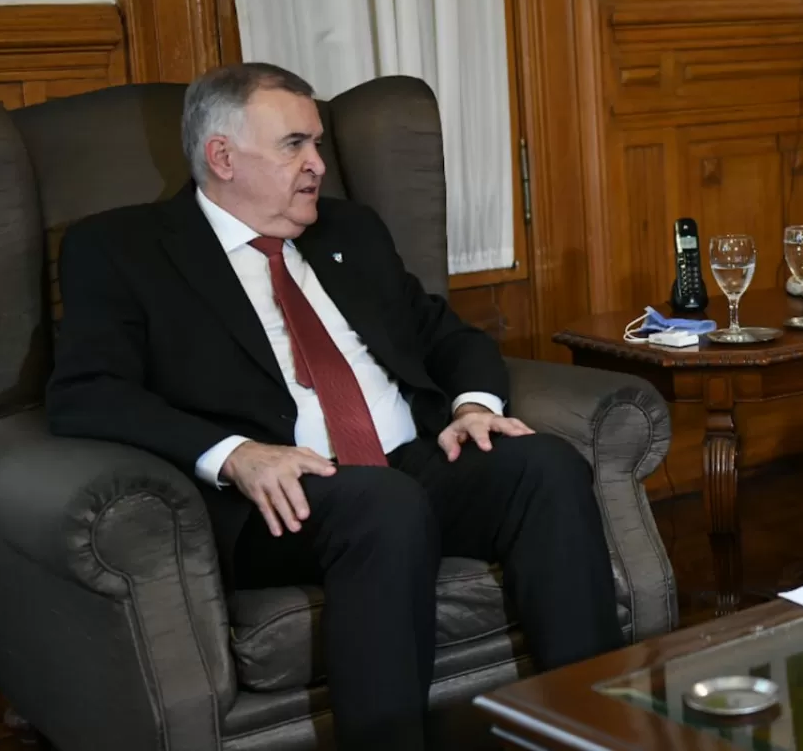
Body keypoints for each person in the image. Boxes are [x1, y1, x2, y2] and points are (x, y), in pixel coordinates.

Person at [45, 62, 624, 749]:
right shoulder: (121, 250)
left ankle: (590, 732)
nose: (318, 164)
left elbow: (446, 335)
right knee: (382, 505)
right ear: (221, 156)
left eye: (317, 143)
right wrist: (236, 456)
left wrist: (471, 409)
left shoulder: (350, 232)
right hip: (278, 498)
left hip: (410, 461)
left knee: (544, 465)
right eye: (295, 145)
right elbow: (88, 393)